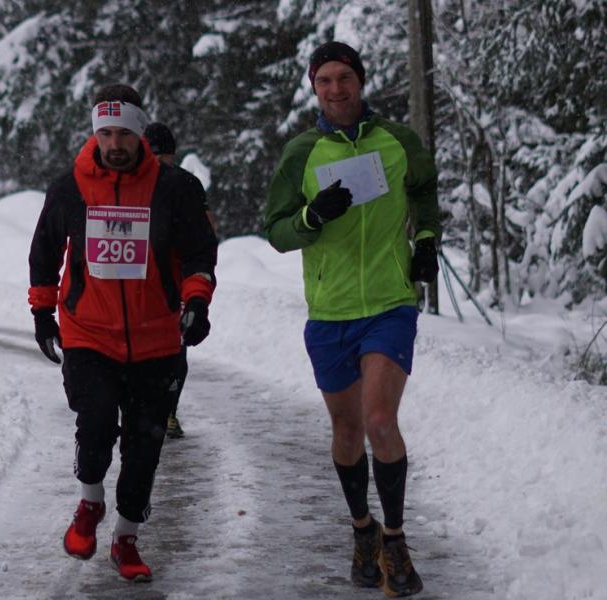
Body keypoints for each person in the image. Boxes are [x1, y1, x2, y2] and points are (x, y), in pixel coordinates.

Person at [262, 41, 440, 598]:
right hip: (330, 311)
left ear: (361, 81)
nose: (336, 89)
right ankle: (361, 529)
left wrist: (427, 241)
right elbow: (275, 230)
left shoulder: (398, 141)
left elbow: (425, 193)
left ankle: (394, 539)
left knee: (381, 421)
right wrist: (311, 216)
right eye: (324, 82)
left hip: (389, 303)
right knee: (347, 430)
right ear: (314, 89)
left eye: (345, 78)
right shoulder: (302, 152)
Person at [29, 84, 218, 583]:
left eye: (124, 134)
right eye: (105, 132)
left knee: (144, 445)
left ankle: (126, 536)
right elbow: (45, 253)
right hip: (89, 333)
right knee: (94, 425)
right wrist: (43, 314)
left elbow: (200, 253)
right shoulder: (69, 186)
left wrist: (196, 302)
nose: (114, 143)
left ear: (140, 135)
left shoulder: (172, 188)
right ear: (96, 133)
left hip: (157, 340)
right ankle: (90, 504)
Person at [141, 121, 219, 440]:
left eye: (163, 159)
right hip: (150, 278)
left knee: (175, 347)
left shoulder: (185, 184)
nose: (160, 166)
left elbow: (205, 229)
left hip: (174, 279)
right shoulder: (139, 183)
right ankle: (154, 409)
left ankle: (167, 410)